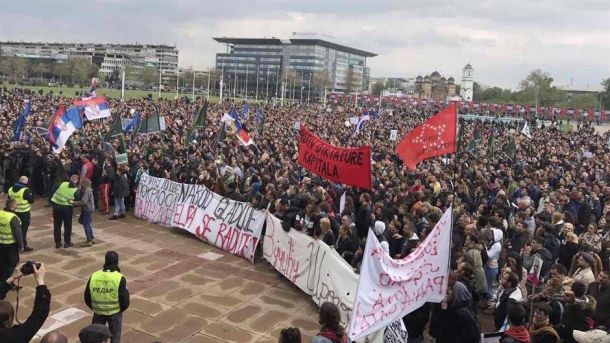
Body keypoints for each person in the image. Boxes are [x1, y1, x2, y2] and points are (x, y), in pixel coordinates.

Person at [84, 251, 129, 343]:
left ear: (105, 261)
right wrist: (119, 310)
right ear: (117, 262)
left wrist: (95, 307)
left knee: (95, 336)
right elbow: (125, 299)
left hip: (98, 312)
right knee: (115, 336)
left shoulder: (94, 276)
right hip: (115, 312)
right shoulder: (119, 278)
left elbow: (87, 296)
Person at [0, 263, 50, 343]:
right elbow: (39, 314)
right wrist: (40, 281)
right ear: (8, 322)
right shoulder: (14, 337)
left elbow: (39, 315)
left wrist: (11, 278)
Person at [7, 176, 34, 252]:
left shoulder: (10, 189)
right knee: (23, 230)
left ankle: (15, 244)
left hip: (14, 212)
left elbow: (9, 200)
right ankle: (23, 246)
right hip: (24, 213)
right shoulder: (25, 190)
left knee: (14, 229)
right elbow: (31, 200)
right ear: (25, 182)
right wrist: (33, 194)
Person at [51, 174, 79, 248]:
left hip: (57, 207)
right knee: (67, 226)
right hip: (67, 209)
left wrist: (52, 203)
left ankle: (58, 242)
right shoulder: (76, 190)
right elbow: (77, 200)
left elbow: (53, 191)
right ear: (76, 181)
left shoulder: (62, 184)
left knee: (57, 225)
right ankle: (67, 242)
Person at [0, 199, 23, 283]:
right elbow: (18, 234)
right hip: (10, 245)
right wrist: (21, 245)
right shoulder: (13, 218)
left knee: (2, 262)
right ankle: (7, 282)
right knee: (12, 263)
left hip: (1, 243)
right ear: (13, 206)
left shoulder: (1, 213)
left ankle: (2, 278)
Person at [73, 179, 96, 246]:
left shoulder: (87, 191)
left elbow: (83, 202)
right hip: (90, 209)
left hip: (87, 210)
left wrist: (73, 202)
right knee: (89, 224)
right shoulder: (89, 190)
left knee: (86, 225)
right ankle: (92, 238)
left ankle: (89, 240)